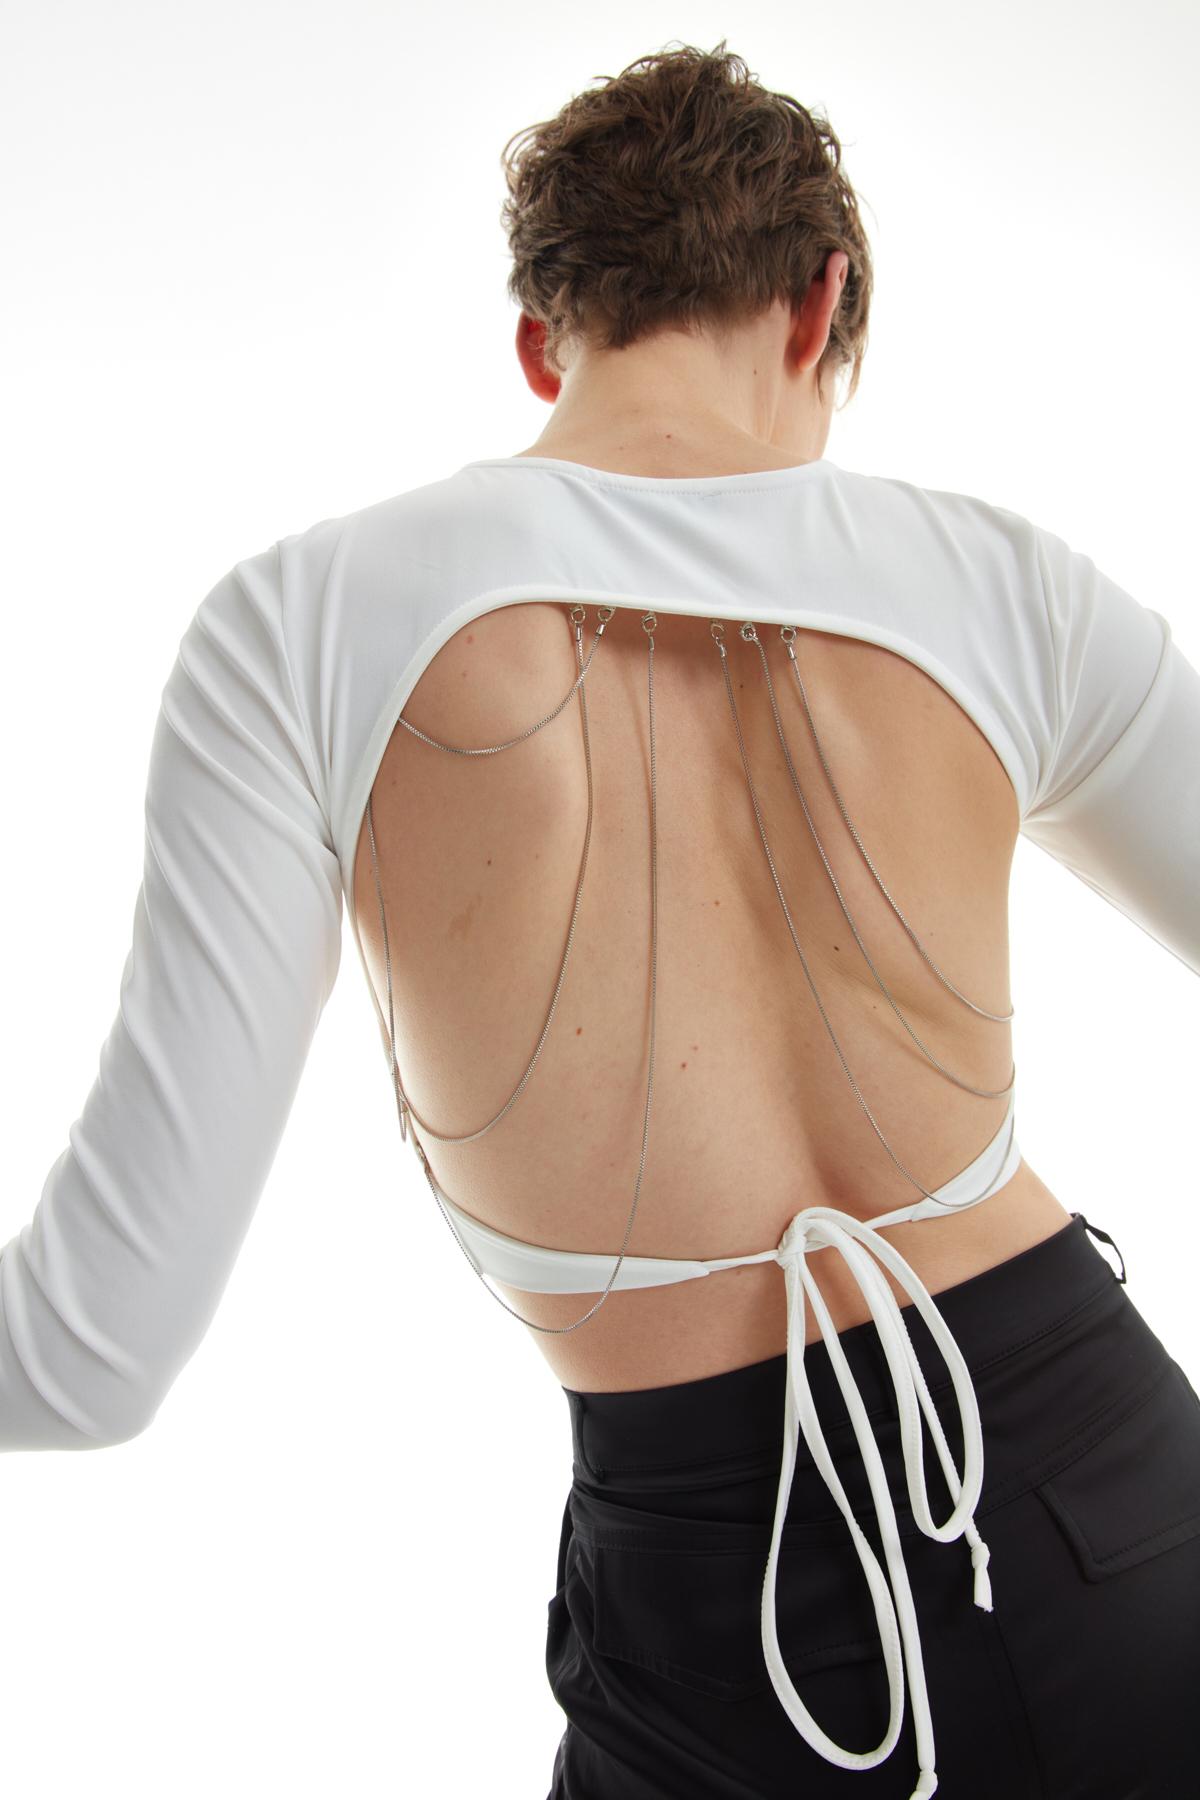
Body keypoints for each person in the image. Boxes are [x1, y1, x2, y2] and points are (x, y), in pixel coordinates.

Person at [3, 36, 1198, 1800]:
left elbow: (83, 1361)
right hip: (1117, 1507)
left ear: (540, 340)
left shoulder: (301, 627)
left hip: (710, 1611)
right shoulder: (1008, 588)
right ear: (821, 306)